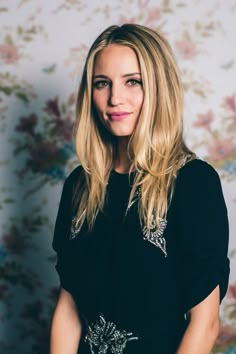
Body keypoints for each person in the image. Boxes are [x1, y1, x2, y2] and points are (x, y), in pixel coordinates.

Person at [50, 24, 230, 354]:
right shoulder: (79, 185)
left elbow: (205, 324)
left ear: (160, 88)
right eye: (102, 83)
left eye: (133, 81)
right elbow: (69, 307)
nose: (115, 98)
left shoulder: (193, 183)